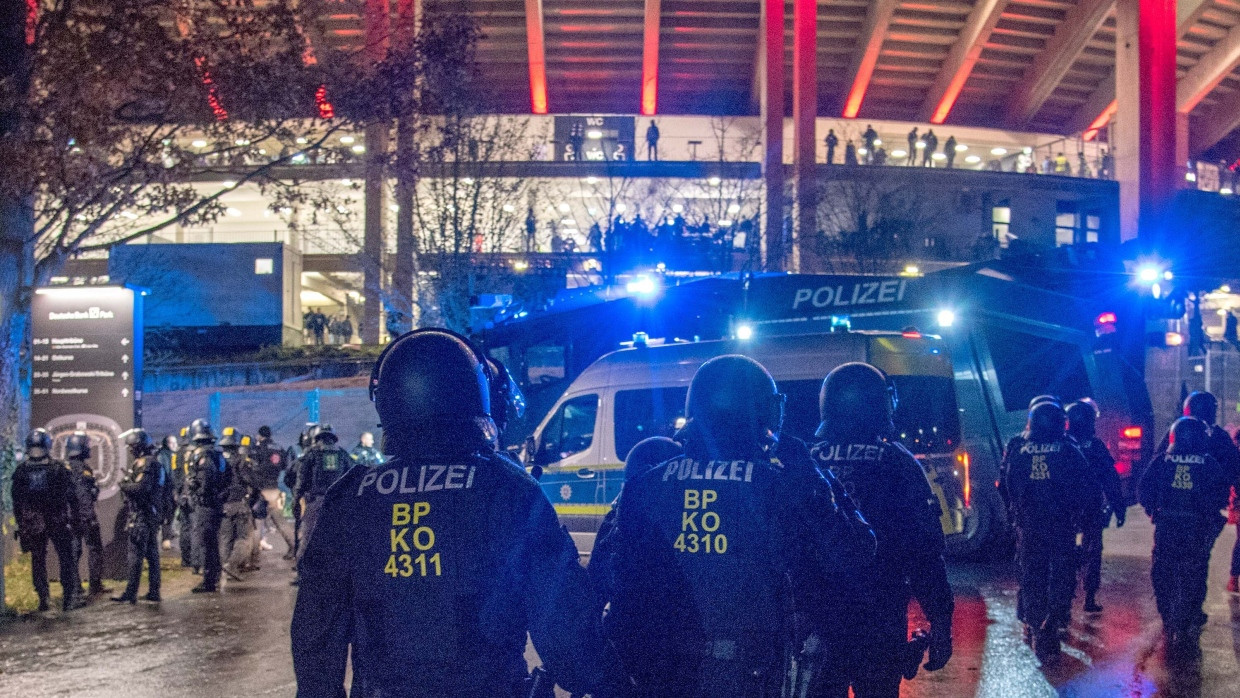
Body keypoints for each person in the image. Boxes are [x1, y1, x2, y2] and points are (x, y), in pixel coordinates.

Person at [291, 328, 606, 696]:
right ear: (475, 395)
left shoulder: (350, 497)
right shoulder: (509, 489)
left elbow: (316, 635)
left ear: (386, 401)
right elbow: (568, 636)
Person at [597, 355, 875, 695]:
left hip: (659, 675)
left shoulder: (644, 485)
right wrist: (814, 477)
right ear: (761, 412)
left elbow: (617, 585)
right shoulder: (777, 485)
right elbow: (855, 553)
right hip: (751, 676)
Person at [808, 363, 953, 697]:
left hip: (816, 619)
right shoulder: (896, 462)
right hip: (879, 614)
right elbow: (924, 553)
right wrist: (940, 621)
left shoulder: (805, 462)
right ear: (879, 404)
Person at [1140, 417, 1235, 653]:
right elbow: (1221, 494)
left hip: (1167, 526)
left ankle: (1168, 616)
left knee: (1163, 571)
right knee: (1195, 571)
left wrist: (1153, 510)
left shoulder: (1162, 461)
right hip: (1197, 529)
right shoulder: (1209, 463)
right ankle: (1189, 616)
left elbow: (1144, 489)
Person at [1003, 401, 1089, 660]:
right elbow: (1085, 484)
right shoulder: (1068, 449)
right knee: (1062, 575)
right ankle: (1052, 622)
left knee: (1032, 575)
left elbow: (1007, 484)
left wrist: (1015, 512)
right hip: (1061, 525)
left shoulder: (1018, 449)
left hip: (1030, 525)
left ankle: (1035, 625)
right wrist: (1082, 515)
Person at [11, 428, 84, 612]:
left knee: (38, 560)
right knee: (65, 559)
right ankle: (68, 599)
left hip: (33, 522)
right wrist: (76, 520)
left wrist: (21, 524)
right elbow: (72, 497)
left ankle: (43, 599)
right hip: (57, 519)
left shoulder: (22, 470)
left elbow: (17, 501)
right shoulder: (58, 468)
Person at [1066, 401, 1124, 613]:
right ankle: (1089, 597)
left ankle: (1064, 596)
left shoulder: (1061, 445)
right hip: (1090, 505)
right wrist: (1118, 506)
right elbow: (1110, 478)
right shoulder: (1096, 446)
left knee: (1063, 549)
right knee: (1093, 550)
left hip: (1064, 507)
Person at [291, 424, 355, 582]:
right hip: (337, 502)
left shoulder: (311, 454)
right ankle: (337, 575)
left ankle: (303, 575)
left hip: (315, 501)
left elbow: (301, 480)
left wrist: (296, 500)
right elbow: (352, 477)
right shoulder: (342, 454)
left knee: (308, 538)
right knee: (337, 539)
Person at [112, 430, 166, 604]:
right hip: (150, 514)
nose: (130, 450)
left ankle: (131, 592)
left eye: (132, 447)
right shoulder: (154, 462)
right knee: (152, 554)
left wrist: (124, 485)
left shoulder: (146, 463)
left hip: (142, 514)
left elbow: (141, 488)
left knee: (135, 555)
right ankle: (153, 591)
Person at [187, 418, 229, 593]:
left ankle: (209, 580)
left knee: (205, 543)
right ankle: (214, 576)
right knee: (212, 542)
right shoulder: (217, 454)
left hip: (206, 505)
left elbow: (205, 480)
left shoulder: (203, 456)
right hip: (215, 504)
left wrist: (196, 489)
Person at [64, 431, 109, 596]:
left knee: (74, 552)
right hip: (84, 517)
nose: (89, 448)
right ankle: (94, 585)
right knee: (94, 548)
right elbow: (84, 496)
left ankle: (76, 586)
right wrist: (89, 517)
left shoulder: (65, 468)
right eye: (87, 446)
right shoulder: (82, 470)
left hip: (70, 517)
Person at [218, 427, 257, 580]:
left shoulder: (218, 460)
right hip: (239, 504)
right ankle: (231, 566)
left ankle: (225, 568)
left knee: (225, 538)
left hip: (223, 505)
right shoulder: (241, 462)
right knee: (244, 538)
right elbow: (252, 481)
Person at [249, 425, 294, 556]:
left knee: (257, 522)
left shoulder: (257, 448)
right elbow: (286, 466)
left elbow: (252, 466)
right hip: (274, 489)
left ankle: (254, 554)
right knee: (280, 521)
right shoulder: (279, 448)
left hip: (260, 489)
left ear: (260, 436)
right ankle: (294, 547)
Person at [174, 426, 197, 568]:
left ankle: (185, 559)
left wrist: (177, 493)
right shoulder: (196, 451)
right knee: (195, 527)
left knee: (184, 527)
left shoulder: (177, 453)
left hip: (182, 494)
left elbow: (175, 474)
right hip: (193, 493)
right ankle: (195, 559)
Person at [156, 434, 178, 550]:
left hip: (166, 490)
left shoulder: (167, 455)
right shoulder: (164, 456)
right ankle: (165, 540)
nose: (175, 445)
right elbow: (169, 473)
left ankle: (168, 535)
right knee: (167, 514)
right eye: (172, 443)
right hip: (166, 491)